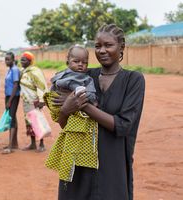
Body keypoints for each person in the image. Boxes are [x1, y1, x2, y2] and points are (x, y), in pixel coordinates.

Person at [55, 24, 145, 200]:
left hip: (112, 167)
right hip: (78, 166)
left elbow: (123, 125)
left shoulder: (133, 80)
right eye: (97, 46)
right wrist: (65, 110)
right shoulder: (83, 76)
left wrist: (82, 104)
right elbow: (65, 123)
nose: (102, 50)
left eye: (108, 45)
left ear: (121, 47)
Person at [44, 45, 99, 182]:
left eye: (84, 62)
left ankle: (72, 164)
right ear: (67, 61)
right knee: (67, 134)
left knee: (74, 136)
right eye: (76, 61)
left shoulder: (86, 79)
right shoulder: (61, 74)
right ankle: (66, 164)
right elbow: (53, 87)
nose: (81, 65)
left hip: (78, 112)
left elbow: (91, 93)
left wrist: (90, 100)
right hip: (61, 107)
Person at [19, 51, 48, 152]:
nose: (22, 61)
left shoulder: (35, 71)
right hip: (26, 101)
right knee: (29, 123)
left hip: (34, 101)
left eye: (24, 59)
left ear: (30, 61)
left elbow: (41, 86)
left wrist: (41, 100)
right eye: (21, 59)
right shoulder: (23, 71)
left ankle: (41, 144)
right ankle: (32, 144)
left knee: (37, 122)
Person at [2, 52, 21, 154]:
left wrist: (9, 101)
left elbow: (15, 85)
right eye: (6, 59)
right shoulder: (10, 69)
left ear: (13, 60)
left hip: (13, 97)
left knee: (11, 119)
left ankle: (10, 146)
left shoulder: (14, 69)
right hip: (9, 96)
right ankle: (14, 143)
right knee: (13, 118)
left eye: (8, 59)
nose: (6, 61)